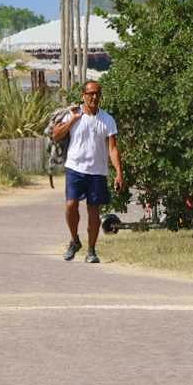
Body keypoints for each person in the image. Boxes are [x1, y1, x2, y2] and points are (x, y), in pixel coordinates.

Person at [47, 77, 122, 263]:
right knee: (71, 205)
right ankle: (74, 240)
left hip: (97, 171)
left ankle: (91, 250)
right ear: (83, 95)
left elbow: (113, 148)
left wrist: (119, 172)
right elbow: (56, 135)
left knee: (94, 212)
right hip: (75, 168)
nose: (94, 97)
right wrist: (72, 121)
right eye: (90, 94)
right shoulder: (72, 114)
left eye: (97, 94)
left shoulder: (107, 120)